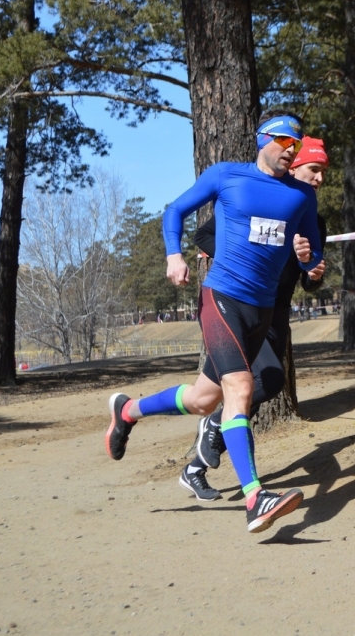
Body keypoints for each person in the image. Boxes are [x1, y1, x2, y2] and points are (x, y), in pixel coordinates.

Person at [104, 110, 323, 534]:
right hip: (222, 297)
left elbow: (312, 252)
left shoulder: (301, 197)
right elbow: (175, 210)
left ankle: (127, 411)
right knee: (240, 388)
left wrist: (309, 261)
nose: (291, 152)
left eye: (297, 145)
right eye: (285, 143)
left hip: (261, 310)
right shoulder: (226, 176)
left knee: (205, 400)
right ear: (263, 139)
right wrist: (173, 254)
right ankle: (255, 497)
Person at [182, 136, 330, 501]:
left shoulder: (310, 213)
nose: (319, 178)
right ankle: (252, 493)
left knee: (256, 387)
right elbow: (203, 233)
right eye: (314, 169)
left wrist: (313, 272)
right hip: (235, 302)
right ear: (292, 166)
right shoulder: (253, 197)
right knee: (248, 385)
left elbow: (311, 276)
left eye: (323, 172)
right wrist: (242, 251)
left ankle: (198, 456)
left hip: (274, 314)